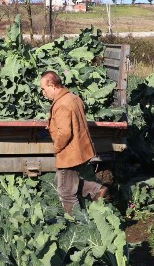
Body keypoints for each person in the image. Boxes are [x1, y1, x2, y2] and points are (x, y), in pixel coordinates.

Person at [40, 71, 108, 214]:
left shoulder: (61, 104)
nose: (43, 93)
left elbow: (65, 132)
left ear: (52, 86)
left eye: (44, 89)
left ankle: (77, 225)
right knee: (64, 183)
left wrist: (56, 148)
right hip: (80, 150)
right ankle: (96, 190)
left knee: (66, 193)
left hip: (70, 155)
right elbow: (72, 122)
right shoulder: (73, 98)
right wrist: (52, 124)